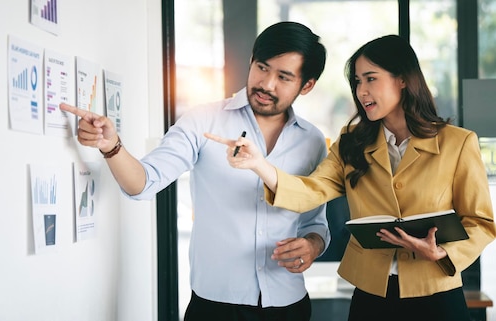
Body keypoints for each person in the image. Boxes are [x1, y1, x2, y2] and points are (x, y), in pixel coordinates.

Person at [205, 34, 496, 321]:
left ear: (403, 79)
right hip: (371, 295)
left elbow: (480, 222)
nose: (361, 91)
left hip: (437, 293)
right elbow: (311, 190)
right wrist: (259, 164)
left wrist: (442, 252)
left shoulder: (457, 143)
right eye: (357, 81)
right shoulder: (351, 142)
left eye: (371, 79)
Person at [61, 21, 330, 321]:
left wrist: (311, 246)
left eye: (283, 77)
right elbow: (143, 183)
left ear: (306, 85)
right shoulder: (204, 121)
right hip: (215, 308)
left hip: (288, 305)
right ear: (252, 61)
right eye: (262, 68)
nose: (267, 84)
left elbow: (314, 224)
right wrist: (111, 145)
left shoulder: (313, 141)